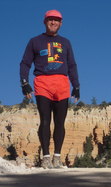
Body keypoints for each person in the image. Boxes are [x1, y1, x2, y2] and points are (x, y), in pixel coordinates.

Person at [20, 10, 80, 169]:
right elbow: (25, 63)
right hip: (42, 83)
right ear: (44, 22)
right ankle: (46, 157)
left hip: (62, 83)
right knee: (45, 120)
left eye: (57, 20)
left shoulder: (66, 42)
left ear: (61, 23)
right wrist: (24, 83)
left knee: (60, 122)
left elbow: (72, 65)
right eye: (50, 20)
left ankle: (57, 158)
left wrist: (77, 85)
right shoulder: (35, 41)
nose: (53, 22)